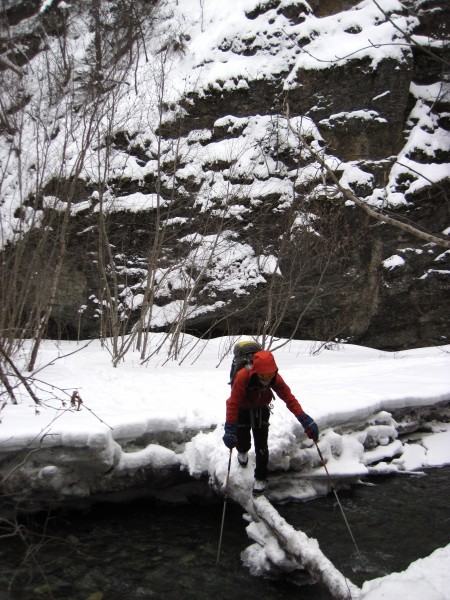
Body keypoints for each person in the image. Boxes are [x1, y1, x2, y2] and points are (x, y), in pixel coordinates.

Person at [222, 349, 319, 496]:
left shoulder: (276, 378)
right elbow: (233, 403)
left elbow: (289, 398)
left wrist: (305, 420)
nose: (267, 379)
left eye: (269, 375)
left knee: (262, 446)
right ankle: (242, 452)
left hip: (261, 409)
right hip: (243, 410)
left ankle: (260, 478)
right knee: (243, 441)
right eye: (263, 376)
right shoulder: (243, 376)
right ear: (255, 372)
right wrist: (230, 429)